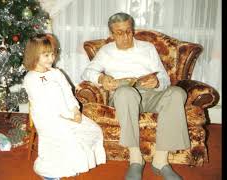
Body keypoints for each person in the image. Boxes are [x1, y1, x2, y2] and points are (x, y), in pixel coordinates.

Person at [81, 12, 190, 180]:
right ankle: (135, 159)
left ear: (133, 30)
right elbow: (87, 72)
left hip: (151, 94)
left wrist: (157, 81)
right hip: (124, 96)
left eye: (128, 31)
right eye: (119, 32)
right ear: (111, 34)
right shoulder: (106, 51)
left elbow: (164, 78)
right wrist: (102, 78)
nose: (125, 36)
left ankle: (161, 161)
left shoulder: (147, 48)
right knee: (125, 93)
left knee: (177, 93)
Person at [23, 34, 106, 180]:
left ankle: (72, 164)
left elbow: (68, 94)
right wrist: (64, 117)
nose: (51, 58)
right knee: (69, 139)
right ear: (34, 55)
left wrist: (75, 111)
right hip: (47, 118)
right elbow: (43, 104)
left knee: (93, 130)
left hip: (66, 113)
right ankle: (49, 171)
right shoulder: (30, 78)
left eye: (52, 54)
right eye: (46, 55)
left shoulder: (56, 73)